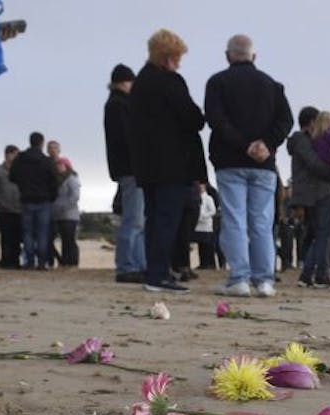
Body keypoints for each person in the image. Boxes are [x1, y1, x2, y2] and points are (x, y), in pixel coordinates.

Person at [203, 34, 292, 298]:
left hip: (230, 161)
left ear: (228, 55)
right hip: (264, 165)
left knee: (235, 219)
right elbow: (285, 120)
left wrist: (244, 145)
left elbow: (216, 120)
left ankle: (239, 278)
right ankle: (264, 280)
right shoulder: (272, 86)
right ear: (254, 56)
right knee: (262, 223)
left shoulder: (217, 83)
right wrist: (266, 144)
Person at [130, 28, 206, 294]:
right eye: (178, 57)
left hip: (147, 165)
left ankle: (154, 271)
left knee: (154, 219)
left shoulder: (140, 83)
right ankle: (159, 275)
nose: (180, 62)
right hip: (172, 165)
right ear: (169, 57)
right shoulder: (171, 82)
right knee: (167, 221)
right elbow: (193, 119)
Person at [286, 105, 330, 288]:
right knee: (322, 235)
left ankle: (310, 274)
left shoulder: (303, 141)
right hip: (319, 192)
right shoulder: (304, 141)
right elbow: (314, 164)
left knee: (317, 235)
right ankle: (317, 275)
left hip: (312, 194)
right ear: (311, 123)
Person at [104, 63, 143, 283]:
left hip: (128, 168)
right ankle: (127, 265)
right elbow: (128, 138)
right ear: (122, 82)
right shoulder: (119, 105)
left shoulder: (118, 104)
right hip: (131, 168)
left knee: (138, 220)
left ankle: (136, 263)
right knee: (134, 219)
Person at [9, 131, 57, 269]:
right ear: (42, 143)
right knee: (42, 232)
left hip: (26, 198)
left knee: (28, 232)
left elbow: (12, 176)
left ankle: (29, 261)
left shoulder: (20, 159)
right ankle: (41, 262)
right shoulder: (46, 161)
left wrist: (23, 185)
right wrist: (52, 196)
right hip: (43, 199)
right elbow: (54, 180)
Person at [51, 157, 79, 267]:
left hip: (69, 215)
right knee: (62, 239)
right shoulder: (57, 180)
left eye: (61, 165)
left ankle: (72, 262)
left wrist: (64, 207)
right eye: (57, 165)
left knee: (69, 240)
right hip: (58, 215)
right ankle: (63, 261)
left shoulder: (72, 179)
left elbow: (75, 196)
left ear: (67, 166)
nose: (58, 167)